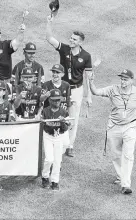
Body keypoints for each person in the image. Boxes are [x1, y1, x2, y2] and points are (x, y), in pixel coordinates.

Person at [46, 15, 92, 157]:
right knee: (56, 112)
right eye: (71, 38)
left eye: (74, 39)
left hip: (77, 90)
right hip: (62, 88)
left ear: (80, 42)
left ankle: (70, 145)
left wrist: (89, 95)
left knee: (73, 117)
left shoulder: (86, 56)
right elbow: (49, 38)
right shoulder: (64, 49)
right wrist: (49, 23)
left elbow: (87, 76)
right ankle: (53, 138)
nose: (71, 41)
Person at [88, 69, 136, 195]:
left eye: (126, 79)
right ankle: (121, 175)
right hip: (114, 127)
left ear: (131, 81)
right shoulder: (113, 89)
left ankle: (125, 184)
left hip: (130, 126)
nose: (123, 82)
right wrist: (91, 81)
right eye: (122, 79)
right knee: (116, 155)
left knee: (128, 155)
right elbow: (96, 92)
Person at [41, 89, 70, 191]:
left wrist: (62, 122)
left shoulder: (64, 112)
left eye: (58, 100)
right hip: (48, 136)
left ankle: (55, 181)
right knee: (49, 159)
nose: (57, 102)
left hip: (59, 137)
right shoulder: (45, 111)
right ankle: (45, 176)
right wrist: (42, 121)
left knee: (57, 161)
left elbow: (66, 128)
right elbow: (41, 124)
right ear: (50, 100)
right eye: (54, 100)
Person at [41, 64, 71, 155]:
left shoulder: (66, 85)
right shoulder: (46, 85)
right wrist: (45, 96)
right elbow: (40, 100)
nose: (55, 74)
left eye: (57, 72)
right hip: (50, 117)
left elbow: (68, 103)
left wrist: (68, 118)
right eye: (53, 72)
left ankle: (58, 159)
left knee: (65, 143)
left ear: (62, 74)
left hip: (62, 117)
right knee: (50, 139)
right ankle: (54, 161)